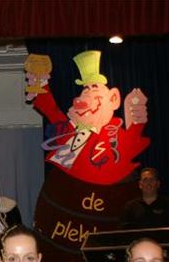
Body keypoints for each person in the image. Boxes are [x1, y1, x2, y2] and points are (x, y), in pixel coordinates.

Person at [26, 50, 149, 185]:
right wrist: (40, 82)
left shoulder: (112, 133)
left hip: (106, 189)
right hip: (70, 187)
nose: (85, 97)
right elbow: (51, 110)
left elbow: (130, 145)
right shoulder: (69, 130)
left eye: (94, 89)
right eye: (85, 90)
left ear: (113, 98)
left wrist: (136, 121)